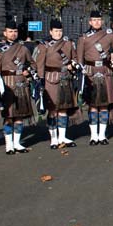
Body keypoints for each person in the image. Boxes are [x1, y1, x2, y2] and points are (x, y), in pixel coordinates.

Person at [77, 9, 113, 145]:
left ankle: (102, 135)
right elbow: (79, 59)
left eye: (99, 20)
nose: (96, 22)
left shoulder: (109, 35)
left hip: (105, 70)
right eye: (94, 20)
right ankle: (93, 136)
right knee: (93, 106)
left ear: (102, 21)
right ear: (90, 22)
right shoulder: (83, 38)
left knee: (104, 105)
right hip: (90, 72)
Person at [34, 18, 79, 149]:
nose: (58, 33)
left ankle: (62, 136)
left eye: (60, 31)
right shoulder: (44, 45)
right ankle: (53, 138)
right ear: (50, 31)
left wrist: (72, 65)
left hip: (65, 78)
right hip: (50, 79)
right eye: (56, 31)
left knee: (64, 109)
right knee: (53, 109)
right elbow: (40, 64)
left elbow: (74, 58)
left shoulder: (68, 43)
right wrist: (41, 81)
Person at [0, 16, 35, 154]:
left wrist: (28, 71)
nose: (13, 34)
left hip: (21, 83)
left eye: (15, 31)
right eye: (10, 31)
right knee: (8, 116)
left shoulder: (23, 48)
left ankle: (17, 143)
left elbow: (32, 64)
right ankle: (8, 145)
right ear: (5, 33)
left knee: (19, 116)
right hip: (7, 84)